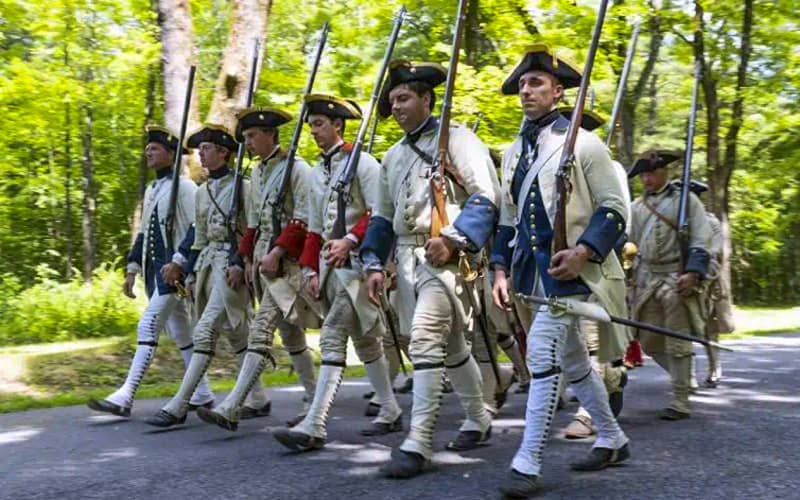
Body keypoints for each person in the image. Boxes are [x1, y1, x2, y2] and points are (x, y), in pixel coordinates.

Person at [490, 45, 631, 498]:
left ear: (557, 90)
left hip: (576, 274)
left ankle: (527, 461)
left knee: (542, 356)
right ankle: (613, 438)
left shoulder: (584, 143)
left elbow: (613, 210)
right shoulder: (513, 152)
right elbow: (509, 219)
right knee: (572, 361)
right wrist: (499, 270)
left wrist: (584, 252)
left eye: (536, 83)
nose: (527, 91)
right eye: (523, 84)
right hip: (533, 275)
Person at [360, 59, 500, 478]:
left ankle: (418, 441)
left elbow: (485, 197)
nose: (397, 106)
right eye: (392, 100)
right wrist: (372, 262)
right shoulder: (392, 156)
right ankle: (478, 417)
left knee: (423, 339)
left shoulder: (458, 140)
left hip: (449, 256)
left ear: (426, 98)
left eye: (404, 98)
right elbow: (382, 218)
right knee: (452, 344)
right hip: (405, 260)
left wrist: (454, 239)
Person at [272, 94, 404, 451]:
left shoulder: (363, 163)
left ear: (338, 126)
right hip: (331, 271)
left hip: (361, 265)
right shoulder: (318, 171)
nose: (313, 131)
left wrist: (349, 239)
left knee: (332, 336)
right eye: (311, 124)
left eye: (319, 124)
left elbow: (379, 214)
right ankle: (390, 409)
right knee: (364, 341)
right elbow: (315, 229)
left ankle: (314, 424)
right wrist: (310, 268)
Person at [145, 124, 269, 427]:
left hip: (232, 267)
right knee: (237, 334)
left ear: (224, 152)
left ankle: (178, 405)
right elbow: (198, 236)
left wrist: (240, 262)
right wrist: (186, 268)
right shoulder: (202, 191)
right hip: (207, 267)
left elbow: (252, 228)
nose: (201, 153)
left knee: (203, 332)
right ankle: (258, 399)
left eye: (208, 148)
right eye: (200, 149)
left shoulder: (243, 186)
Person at [87, 125, 214, 418]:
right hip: (156, 272)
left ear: (170, 154)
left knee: (147, 327)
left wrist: (182, 263)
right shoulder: (153, 188)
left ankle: (125, 396)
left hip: (176, 272)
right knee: (181, 333)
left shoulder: (184, 188)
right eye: (148, 148)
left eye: (155, 148)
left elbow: (197, 227)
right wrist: (132, 268)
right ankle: (204, 392)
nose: (148, 151)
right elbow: (144, 233)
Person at [627, 150, 712, 421]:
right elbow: (628, 241)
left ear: (665, 173)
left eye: (652, 173)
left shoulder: (686, 202)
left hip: (676, 276)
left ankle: (680, 399)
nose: (648, 179)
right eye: (644, 174)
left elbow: (701, 238)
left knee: (678, 338)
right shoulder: (637, 207)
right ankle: (684, 375)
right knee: (648, 339)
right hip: (647, 278)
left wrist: (693, 273)